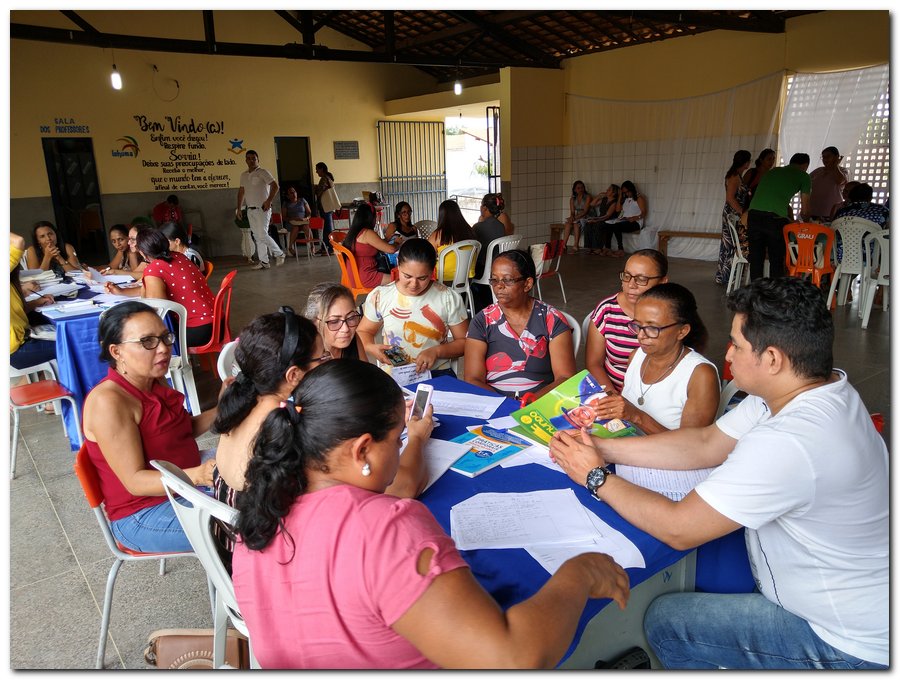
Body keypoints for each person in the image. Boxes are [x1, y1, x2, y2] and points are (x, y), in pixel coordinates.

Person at [549, 277, 888, 670]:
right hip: (862, 599)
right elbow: (706, 443)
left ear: (773, 359)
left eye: (738, 345)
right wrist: (601, 449)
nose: (727, 355)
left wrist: (596, 478)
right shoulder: (810, 388)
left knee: (670, 623)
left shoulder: (791, 440)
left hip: (842, 638)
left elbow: (680, 528)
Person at [232, 359, 630, 669]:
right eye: (397, 438)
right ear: (362, 450)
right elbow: (513, 658)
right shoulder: (385, 526)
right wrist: (579, 575)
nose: (401, 447)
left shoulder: (260, 515)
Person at [82, 301, 218, 552]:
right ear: (116, 351)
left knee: (262, 476)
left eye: (165, 337)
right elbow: (135, 481)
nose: (164, 348)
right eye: (147, 342)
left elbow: (183, 430)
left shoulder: (154, 381)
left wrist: (226, 405)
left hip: (183, 486)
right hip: (142, 513)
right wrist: (199, 475)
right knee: (249, 526)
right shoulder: (109, 402)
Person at [593, 283, 719, 434]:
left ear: (682, 331)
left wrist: (636, 416)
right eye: (638, 325)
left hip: (664, 457)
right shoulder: (636, 356)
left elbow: (690, 448)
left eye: (653, 328)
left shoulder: (700, 375)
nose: (640, 335)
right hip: (625, 447)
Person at [464, 249, 575, 400]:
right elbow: (472, 379)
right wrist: (506, 404)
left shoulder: (551, 319)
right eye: (494, 280)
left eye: (507, 280)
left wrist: (530, 402)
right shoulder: (482, 321)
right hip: (493, 403)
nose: (499, 286)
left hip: (541, 403)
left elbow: (565, 377)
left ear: (527, 283)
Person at [357, 238, 468, 376]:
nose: (414, 284)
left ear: (433, 270)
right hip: (396, 375)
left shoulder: (447, 298)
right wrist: (370, 347)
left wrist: (436, 351)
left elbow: (465, 343)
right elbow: (363, 331)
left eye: (422, 278)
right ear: (398, 264)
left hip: (436, 374)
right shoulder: (381, 296)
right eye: (407, 276)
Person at [105, 227, 215, 348]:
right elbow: (155, 290)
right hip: (214, 323)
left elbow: (157, 308)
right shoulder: (179, 257)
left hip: (197, 330)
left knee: (139, 341)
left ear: (142, 251)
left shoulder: (154, 269)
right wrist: (122, 292)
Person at [585, 249, 668, 393]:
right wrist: (613, 397)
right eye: (627, 276)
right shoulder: (607, 311)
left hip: (657, 395)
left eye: (641, 279)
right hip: (613, 392)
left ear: (662, 282)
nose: (631, 285)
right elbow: (594, 364)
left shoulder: (672, 316)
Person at [746, 152, 811, 280]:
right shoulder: (804, 176)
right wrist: (806, 222)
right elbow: (805, 210)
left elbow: (770, 195)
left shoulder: (773, 171)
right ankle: (775, 295)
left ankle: (755, 294)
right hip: (774, 220)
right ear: (805, 165)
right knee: (776, 259)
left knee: (756, 258)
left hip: (753, 215)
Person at [10, 233, 56, 371]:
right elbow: (18, 241)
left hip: (21, 341)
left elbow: (18, 312)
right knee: (73, 345)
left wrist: (38, 302)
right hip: (17, 350)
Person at [236, 149, 285, 270]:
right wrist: (239, 209)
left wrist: (269, 201)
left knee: (262, 234)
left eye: (254, 158)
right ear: (246, 160)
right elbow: (241, 192)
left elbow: (275, 186)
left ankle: (279, 253)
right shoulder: (244, 175)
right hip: (250, 209)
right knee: (257, 236)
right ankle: (264, 261)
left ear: (258, 159)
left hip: (263, 208)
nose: (251, 160)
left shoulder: (263, 172)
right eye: (249, 158)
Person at [714, 150, 752, 285]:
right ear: (746, 163)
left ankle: (729, 276)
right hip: (732, 214)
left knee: (731, 244)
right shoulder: (734, 177)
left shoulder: (737, 175)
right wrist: (742, 212)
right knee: (730, 244)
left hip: (735, 214)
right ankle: (725, 277)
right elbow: (730, 198)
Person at [304, 282, 367, 361]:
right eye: (334, 321)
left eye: (351, 318)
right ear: (314, 322)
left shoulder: (352, 338)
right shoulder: (308, 357)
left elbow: (368, 371)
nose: (346, 329)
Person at [471, 193, 508, 313]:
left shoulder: (478, 227)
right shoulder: (501, 226)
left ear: (484, 208)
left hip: (484, 269)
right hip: (498, 265)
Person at [343, 202, 396, 288]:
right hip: (366, 277)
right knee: (400, 278)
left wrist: (387, 238)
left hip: (353, 276)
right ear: (371, 218)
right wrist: (397, 242)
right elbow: (391, 250)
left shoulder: (354, 232)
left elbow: (377, 244)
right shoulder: (367, 233)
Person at [428, 199, 476, 282]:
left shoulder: (437, 235)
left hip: (443, 279)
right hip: (467, 278)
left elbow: (427, 255)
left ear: (441, 215)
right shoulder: (470, 231)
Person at [605, 180, 648, 258]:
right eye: (624, 192)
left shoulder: (639, 198)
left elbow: (644, 212)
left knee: (616, 226)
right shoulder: (626, 199)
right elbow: (618, 210)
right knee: (608, 224)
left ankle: (620, 249)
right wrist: (620, 196)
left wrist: (635, 218)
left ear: (632, 189)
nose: (626, 194)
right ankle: (608, 248)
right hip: (625, 220)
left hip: (635, 222)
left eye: (627, 192)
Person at [808, 146, 849, 222]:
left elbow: (840, 180)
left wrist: (836, 165)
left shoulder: (843, 170)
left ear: (836, 157)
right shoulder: (818, 171)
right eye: (823, 157)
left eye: (828, 156)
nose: (825, 159)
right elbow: (805, 184)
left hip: (831, 214)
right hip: (812, 212)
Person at [582, 184, 620, 255]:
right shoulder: (604, 199)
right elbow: (592, 204)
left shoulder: (614, 202)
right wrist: (599, 196)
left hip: (609, 221)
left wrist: (596, 220)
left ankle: (597, 248)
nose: (606, 191)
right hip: (600, 218)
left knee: (598, 225)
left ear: (614, 193)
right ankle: (588, 247)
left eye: (609, 190)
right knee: (588, 225)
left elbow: (607, 215)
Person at [281, 185, 313, 256]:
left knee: (306, 227)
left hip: (303, 221)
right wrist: (293, 218)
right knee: (295, 227)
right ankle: (290, 247)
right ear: (287, 196)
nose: (294, 194)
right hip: (291, 223)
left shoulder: (302, 200)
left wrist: (306, 218)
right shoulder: (286, 204)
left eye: (294, 192)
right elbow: (284, 217)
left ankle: (311, 246)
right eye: (291, 193)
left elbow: (309, 213)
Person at [561, 180, 591, 253]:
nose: (581, 189)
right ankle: (564, 244)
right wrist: (572, 217)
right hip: (577, 216)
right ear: (574, 190)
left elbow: (585, 211)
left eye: (582, 187)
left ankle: (576, 245)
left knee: (576, 224)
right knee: (568, 224)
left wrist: (574, 218)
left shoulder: (587, 197)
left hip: (587, 216)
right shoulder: (572, 199)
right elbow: (572, 212)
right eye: (578, 188)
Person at [314, 161, 336, 255]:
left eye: (317, 169)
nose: (316, 172)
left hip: (325, 206)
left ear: (321, 169)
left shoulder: (324, 178)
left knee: (327, 228)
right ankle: (325, 247)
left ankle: (330, 248)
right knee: (326, 227)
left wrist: (315, 189)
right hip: (328, 206)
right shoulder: (329, 177)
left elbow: (319, 192)